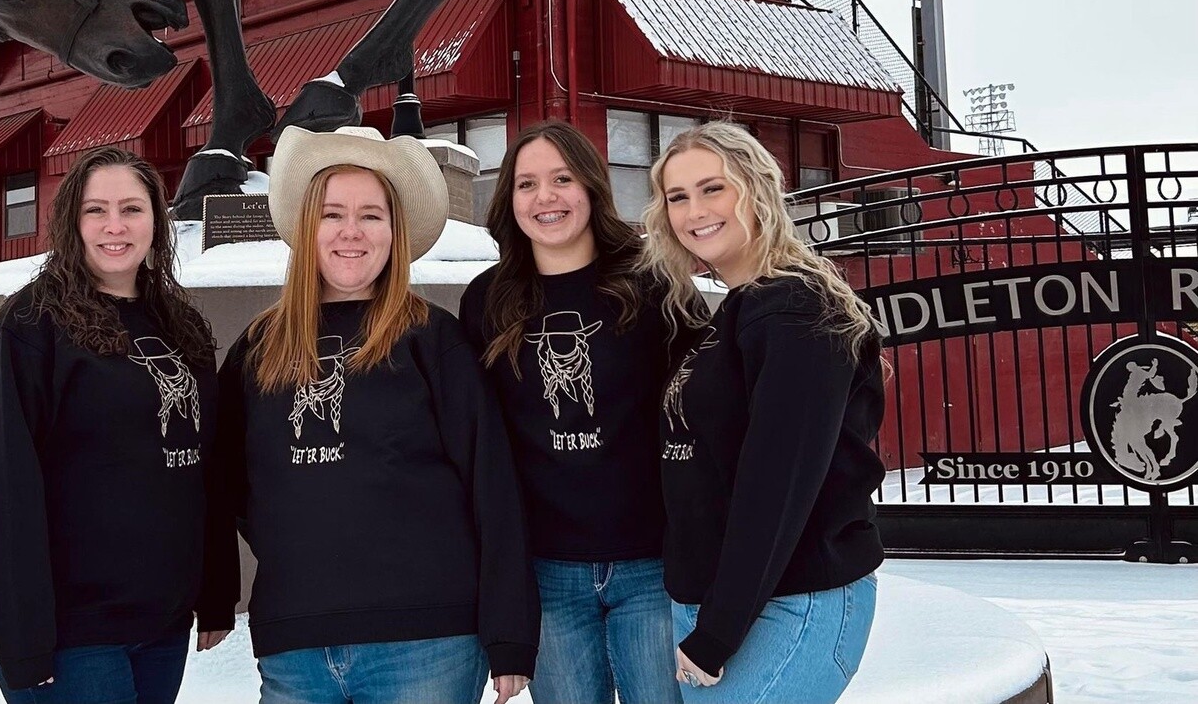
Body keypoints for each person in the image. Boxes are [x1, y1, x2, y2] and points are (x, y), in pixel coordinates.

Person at [214, 124, 539, 704]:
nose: (351, 233)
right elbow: (226, 486)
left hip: (427, 643)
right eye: (332, 214)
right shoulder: (258, 349)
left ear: (395, 232)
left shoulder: (432, 341)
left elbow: (492, 486)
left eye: (371, 215)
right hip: (296, 644)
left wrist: (510, 632)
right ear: (307, 227)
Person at [0, 146, 235, 704]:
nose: (116, 226)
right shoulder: (26, 331)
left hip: (161, 624)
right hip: (72, 633)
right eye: (96, 210)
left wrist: (213, 591)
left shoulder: (178, 325)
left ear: (157, 222)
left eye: (132, 209)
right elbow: (0, 492)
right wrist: (22, 640)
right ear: (70, 221)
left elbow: (205, 467)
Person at [644, 122, 885, 704]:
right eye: (677, 197)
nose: (693, 211)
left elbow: (777, 485)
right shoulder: (737, 310)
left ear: (756, 189)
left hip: (791, 602)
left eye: (712, 189)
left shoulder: (799, 311)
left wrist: (718, 632)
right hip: (724, 600)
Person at [459, 121, 694, 704]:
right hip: (548, 571)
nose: (546, 198)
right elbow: (480, 442)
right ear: (508, 198)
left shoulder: (651, 282)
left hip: (653, 566)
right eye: (527, 183)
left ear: (591, 187)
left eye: (562, 179)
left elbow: (703, 407)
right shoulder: (486, 301)